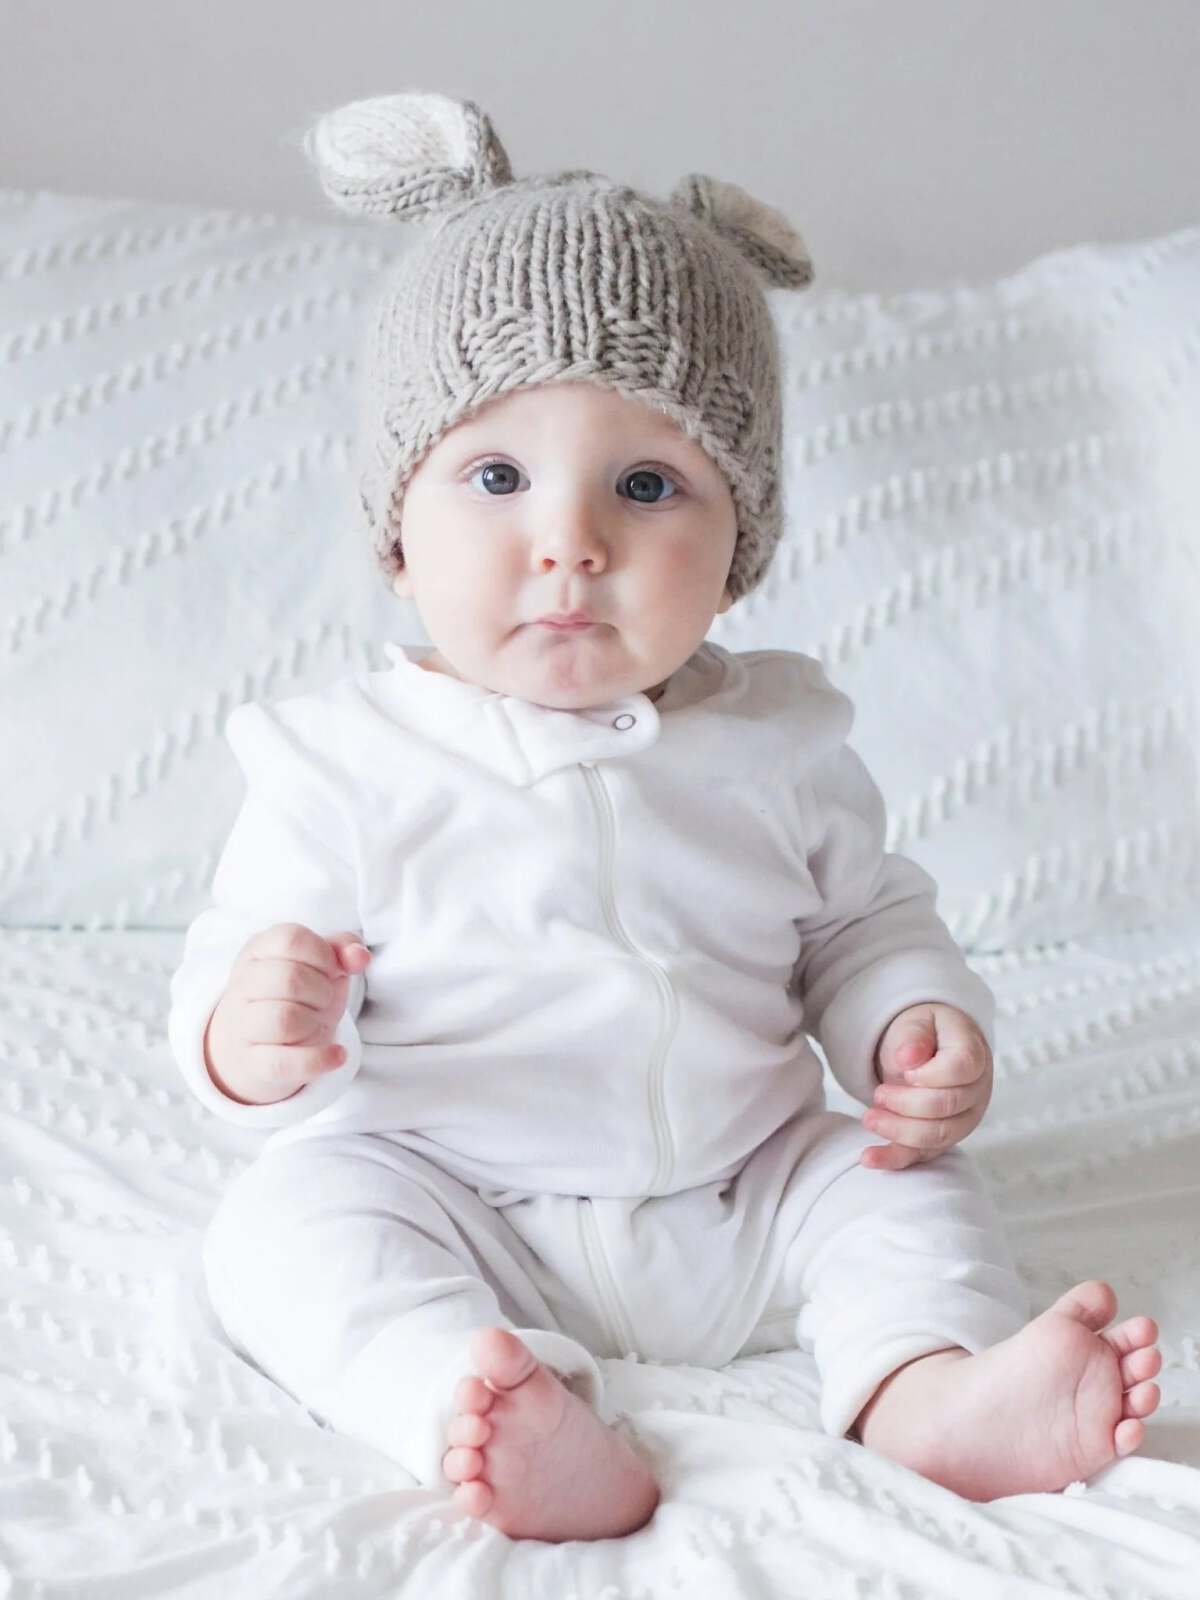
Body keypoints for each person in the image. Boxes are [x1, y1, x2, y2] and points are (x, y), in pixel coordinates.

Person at [167, 91, 1162, 1543]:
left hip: (738, 1192)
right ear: (396, 526)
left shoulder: (780, 737)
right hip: (456, 1200)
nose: (571, 540)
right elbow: (230, 980)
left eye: (648, 484)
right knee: (276, 1232)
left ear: (738, 550)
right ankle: (485, 1400)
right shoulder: (341, 762)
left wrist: (908, 1022)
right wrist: (253, 1039)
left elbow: (863, 921)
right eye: (495, 477)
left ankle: (929, 1387)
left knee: (896, 1187)